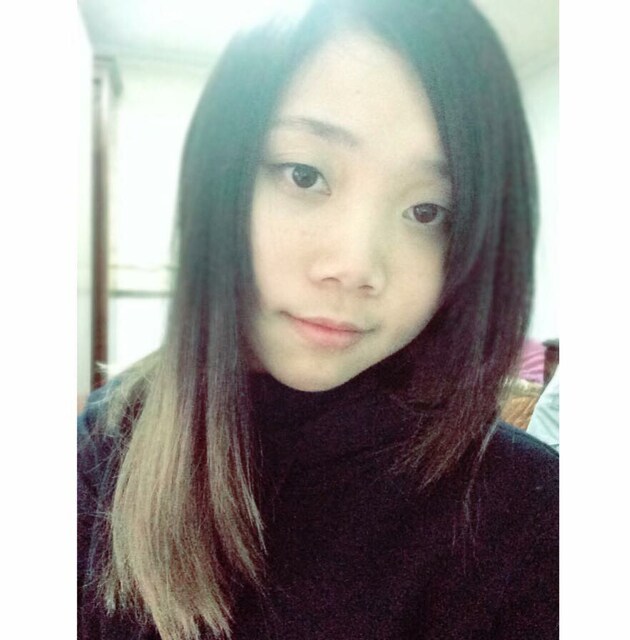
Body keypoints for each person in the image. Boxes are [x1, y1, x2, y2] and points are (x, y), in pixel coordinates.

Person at [78, 1, 559, 638]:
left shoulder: (530, 518)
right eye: (304, 175)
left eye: (427, 212)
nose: (355, 267)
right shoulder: (105, 443)